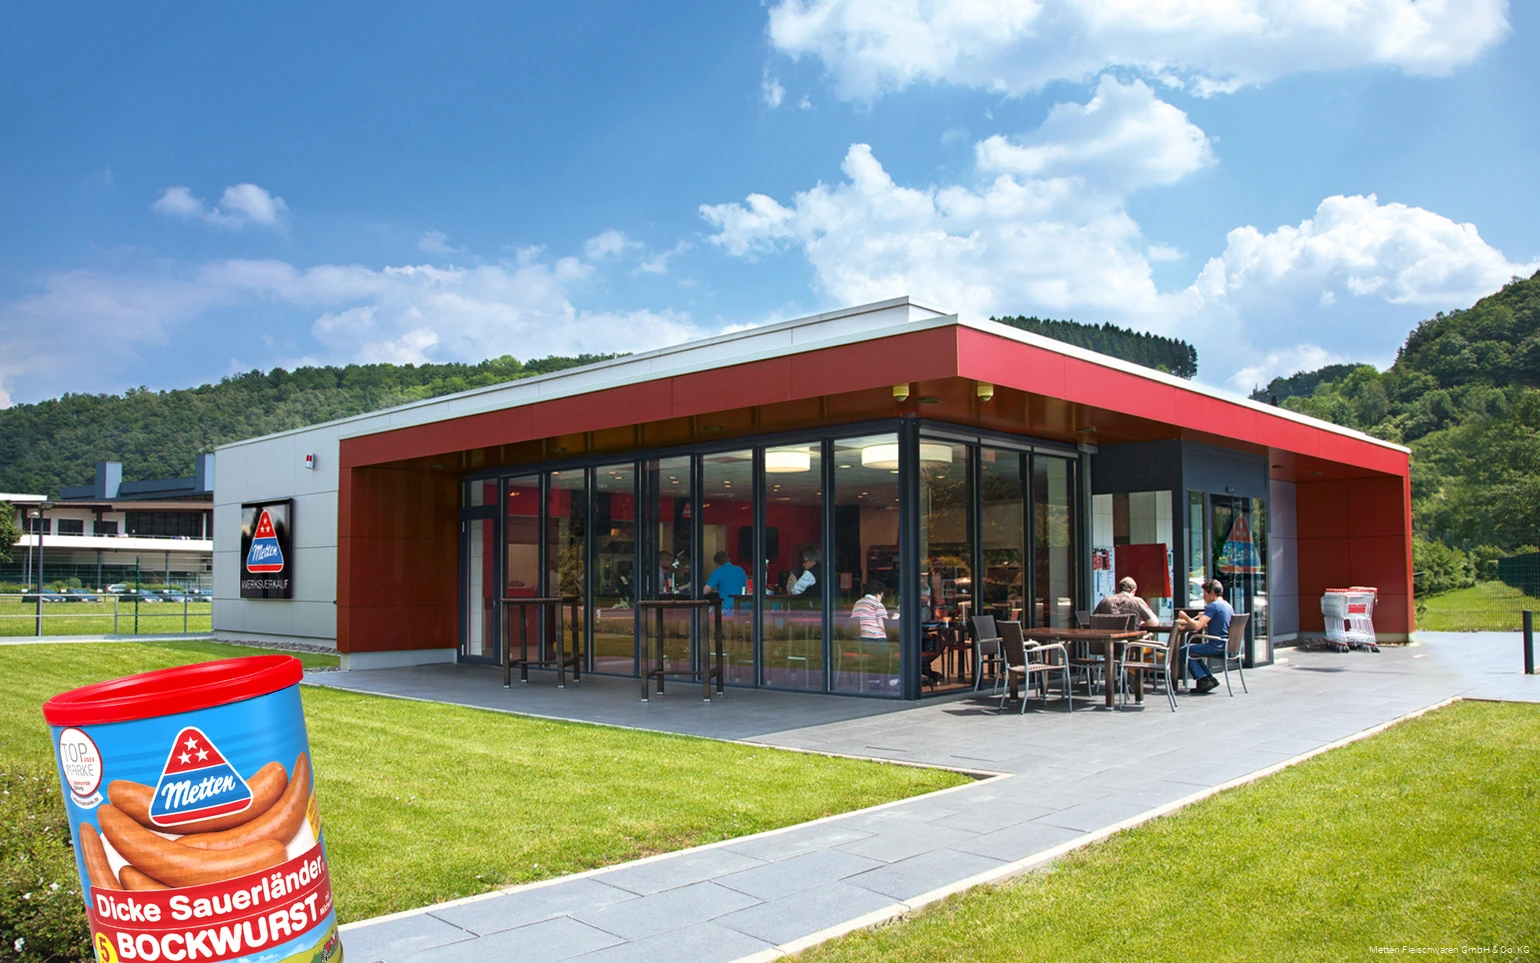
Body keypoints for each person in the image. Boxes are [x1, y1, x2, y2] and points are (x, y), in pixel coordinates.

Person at [1178, 578, 1234, 693]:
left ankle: (1203, 679)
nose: (1204, 597)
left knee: (1184, 650)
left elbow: (1197, 626)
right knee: (1193, 651)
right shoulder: (1227, 605)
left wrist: (1185, 617)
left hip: (1216, 645)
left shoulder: (1213, 606)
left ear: (1212, 593)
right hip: (1227, 646)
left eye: (1204, 594)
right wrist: (1205, 616)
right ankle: (1209, 678)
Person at [850, 580, 900, 688]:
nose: (882, 597)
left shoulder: (858, 603)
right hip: (876, 641)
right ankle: (893, 680)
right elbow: (883, 626)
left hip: (861, 642)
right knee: (897, 650)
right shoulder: (877, 604)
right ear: (878, 593)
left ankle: (874, 682)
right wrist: (895, 618)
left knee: (875, 658)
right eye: (882, 595)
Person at [1093, 577, 1160, 628]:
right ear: (1133, 591)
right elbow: (1154, 623)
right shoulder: (1137, 602)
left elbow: (1093, 622)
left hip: (1108, 640)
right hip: (1131, 641)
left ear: (1118, 589)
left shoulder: (1105, 601)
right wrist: (1139, 624)